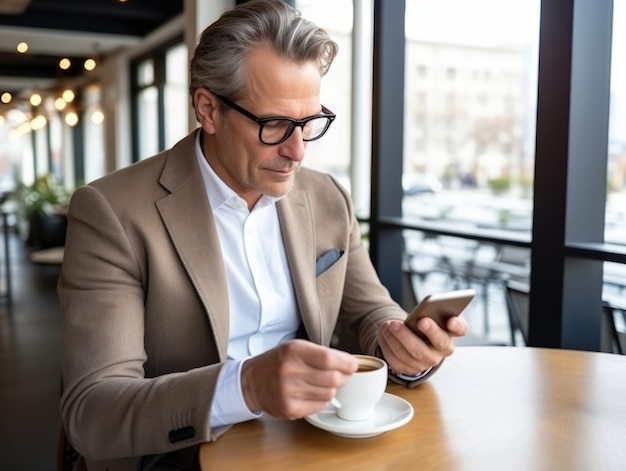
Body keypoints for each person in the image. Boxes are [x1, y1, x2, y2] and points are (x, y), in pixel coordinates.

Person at [58, 0, 468, 469]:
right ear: (208, 110)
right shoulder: (111, 212)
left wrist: (403, 346)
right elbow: (92, 412)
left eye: (309, 122)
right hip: (180, 456)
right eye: (275, 125)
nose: (296, 152)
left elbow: (372, 312)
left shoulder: (327, 197)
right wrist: (247, 386)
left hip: (314, 446)